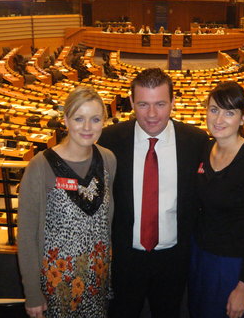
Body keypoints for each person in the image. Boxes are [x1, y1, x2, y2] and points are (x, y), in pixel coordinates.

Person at [98, 68, 208, 318]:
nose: (151, 114)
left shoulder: (196, 141)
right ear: (132, 102)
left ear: (173, 102)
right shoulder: (109, 140)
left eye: (160, 104)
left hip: (174, 257)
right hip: (125, 258)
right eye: (143, 104)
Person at [18, 86, 117, 318]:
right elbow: (26, 235)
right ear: (65, 120)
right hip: (57, 282)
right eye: (79, 118)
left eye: (95, 119)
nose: (87, 127)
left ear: (104, 120)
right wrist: (32, 293)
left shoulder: (108, 159)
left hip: (97, 277)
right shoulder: (40, 165)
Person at [189, 82, 244, 318]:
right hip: (199, 256)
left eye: (229, 112)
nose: (219, 119)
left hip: (229, 266)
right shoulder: (204, 149)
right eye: (214, 109)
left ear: (243, 118)